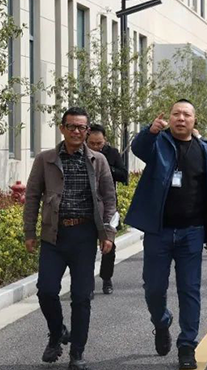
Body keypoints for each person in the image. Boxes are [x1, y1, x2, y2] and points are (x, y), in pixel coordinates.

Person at [124, 99, 207, 370]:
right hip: (159, 232)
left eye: (186, 114)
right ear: (169, 118)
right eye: (176, 114)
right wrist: (150, 131)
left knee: (189, 290)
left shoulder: (204, 150)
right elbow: (139, 148)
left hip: (192, 233)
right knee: (153, 288)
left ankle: (187, 346)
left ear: (194, 119)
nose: (181, 118)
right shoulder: (158, 143)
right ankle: (161, 321)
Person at [23, 107, 116, 370]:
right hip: (54, 235)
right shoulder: (45, 159)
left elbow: (109, 199)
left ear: (87, 130)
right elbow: (32, 196)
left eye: (81, 127)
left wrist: (108, 233)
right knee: (46, 291)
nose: (76, 131)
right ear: (62, 128)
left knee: (81, 296)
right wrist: (29, 232)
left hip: (84, 236)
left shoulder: (98, 160)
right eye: (71, 126)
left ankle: (77, 353)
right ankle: (57, 332)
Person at [87, 123, 128, 295]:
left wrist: (105, 168)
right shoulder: (81, 154)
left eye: (99, 143)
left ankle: (106, 278)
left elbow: (124, 175)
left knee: (109, 245)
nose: (96, 147)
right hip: (87, 206)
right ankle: (87, 283)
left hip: (107, 204)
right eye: (92, 144)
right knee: (86, 247)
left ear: (105, 140)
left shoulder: (112, 153)